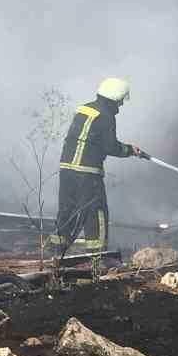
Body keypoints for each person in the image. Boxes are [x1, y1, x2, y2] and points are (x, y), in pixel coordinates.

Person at [52, 78, 143, 256]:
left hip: (66, 170)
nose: (121, 104)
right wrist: (129, 150)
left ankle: (57, 254)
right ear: (114, 98)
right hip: (87, 174)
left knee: (66, 211)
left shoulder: (84, 109)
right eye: (121, 100)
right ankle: (97, 259)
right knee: (96, 213)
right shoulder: (106, 117)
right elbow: (109, 146)